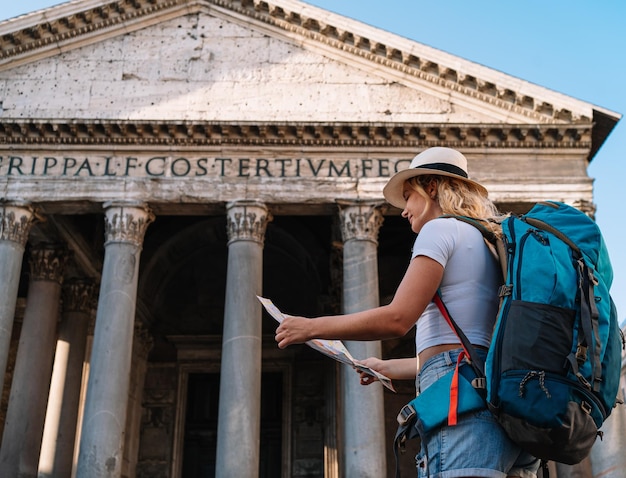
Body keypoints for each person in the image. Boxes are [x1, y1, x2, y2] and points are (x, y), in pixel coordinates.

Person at [275, 147, 540, 478]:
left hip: (464, 407)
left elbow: (398, 319)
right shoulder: (489, 241)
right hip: (501, 407)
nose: (403, 211)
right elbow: (469, 350)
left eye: (408, 196)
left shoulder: (440, 229)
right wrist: (385, 366)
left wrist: (312, 327)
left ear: (431, 188)